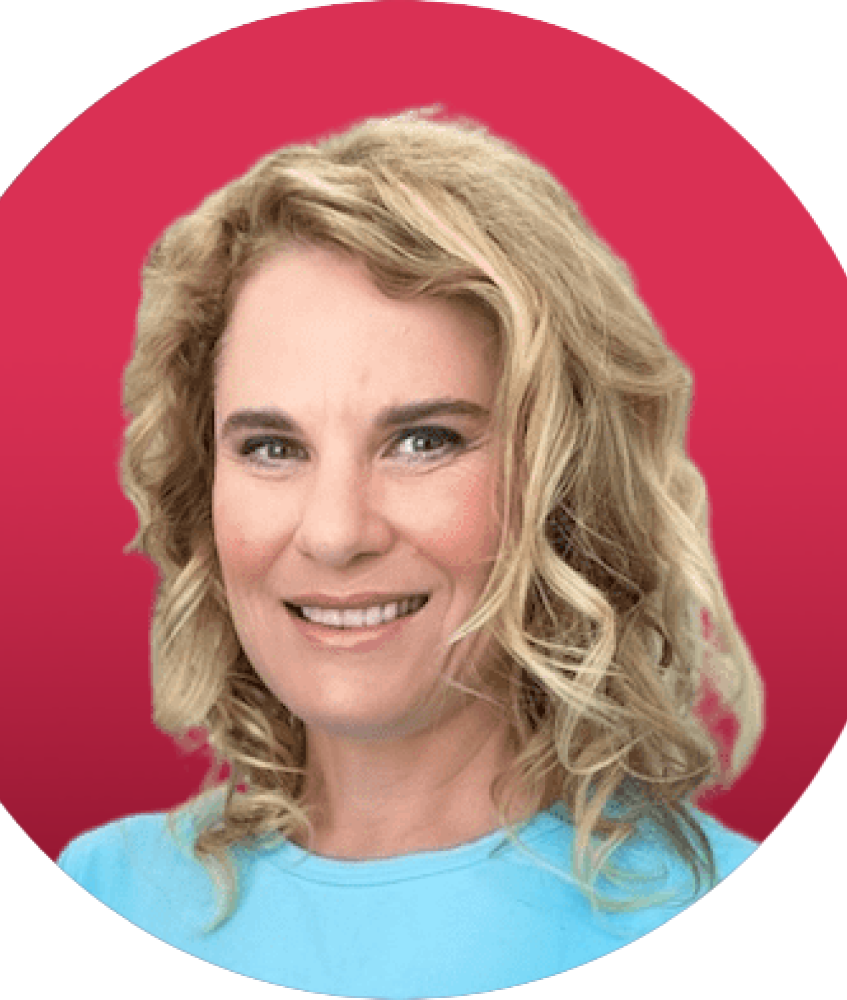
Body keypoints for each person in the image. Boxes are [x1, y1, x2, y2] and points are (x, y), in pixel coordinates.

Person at [58, 110, 764, 998]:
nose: (335, 533)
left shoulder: (752, 926)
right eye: (272, 447)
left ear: (563, 480)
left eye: (424, 441)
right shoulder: (104, 892)